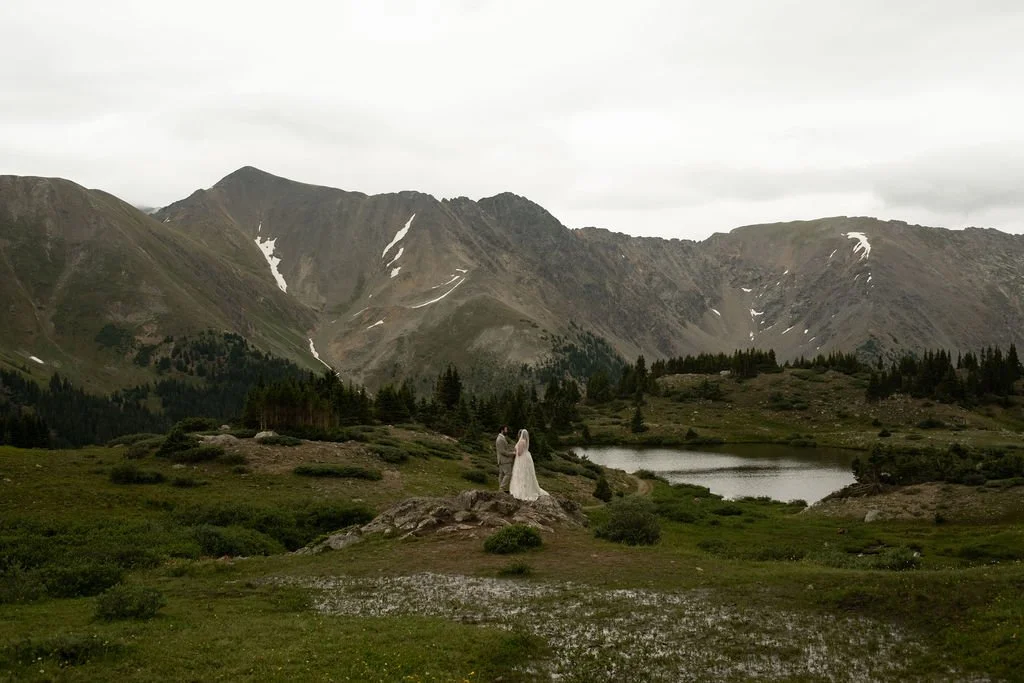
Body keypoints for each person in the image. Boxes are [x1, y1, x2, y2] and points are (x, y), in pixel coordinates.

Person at [509, 429, 549, 501]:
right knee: (526, 474)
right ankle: (528, 488)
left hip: (521, 459)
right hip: (527, 457)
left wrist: (514, 452)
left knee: (521, 474)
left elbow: (519, 453)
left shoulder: (521, 441)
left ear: (521, 434)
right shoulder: (525, 441)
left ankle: (522, 490)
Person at [495, 425, 515, 493]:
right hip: (504, 460)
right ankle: (501, 488)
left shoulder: (502, 438)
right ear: (502, 430)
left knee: (501, 475)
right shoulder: (500, 439)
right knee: (508, 474)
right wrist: (513, 454)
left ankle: (500, 489)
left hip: (502, 460)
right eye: (506, 430)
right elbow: (502, 451)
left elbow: (505, 449)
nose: (507, 431)